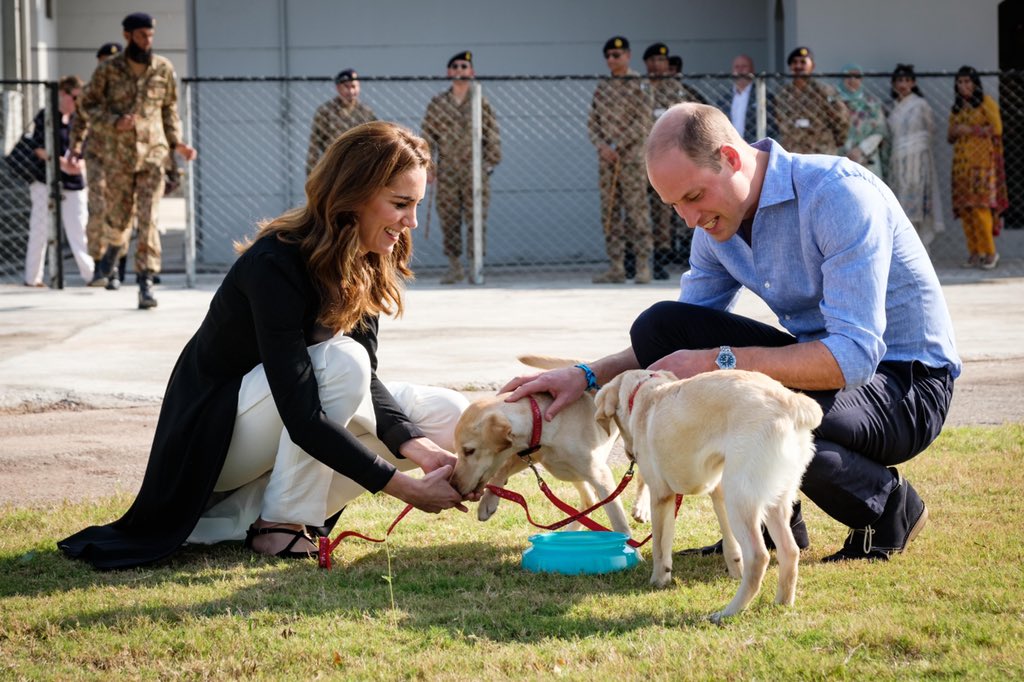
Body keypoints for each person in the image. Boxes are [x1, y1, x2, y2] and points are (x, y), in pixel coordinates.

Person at [503, 103, 960, 563]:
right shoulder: (715, 225)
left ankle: (888, 505)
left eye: (694, 196)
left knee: (767, 415)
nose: (687, 218)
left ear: (731, 158)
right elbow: (673, 345)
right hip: (830, 372)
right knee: (660, 326)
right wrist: (583, 375)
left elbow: (853, 358)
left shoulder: (839, 195)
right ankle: (775, 525)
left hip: (907, 385)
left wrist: (715, 362)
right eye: (675, 204)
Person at [58, 122, 475, 569]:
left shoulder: (368, 258)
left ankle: (236, 519)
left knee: (447, 416)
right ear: (353, 194)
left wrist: (421, 448)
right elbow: (303, 413)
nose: (411, 222)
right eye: (400, 204)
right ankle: (282, 525)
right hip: (212, 444)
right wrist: (406, 488)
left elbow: (364, 385)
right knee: (343, 361)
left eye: (416, 205)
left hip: (282, 424)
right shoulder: (273, 263)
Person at [73, 12, 197, 309]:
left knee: (149, 218)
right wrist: (114, 122)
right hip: (118, 157)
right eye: (141, 35)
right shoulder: (109, 70)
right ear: (127, 35)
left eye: (150, 35)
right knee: (118, 217)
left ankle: (145, 282)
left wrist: (176, 143)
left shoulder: (163, 69)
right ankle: (113, 250)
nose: (147, 40)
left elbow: (169, 109)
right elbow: (86, 106)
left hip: (153, 156)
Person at [421, 51, 502, 284]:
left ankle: (475, 267)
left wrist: (488, 164)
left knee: (476, 220)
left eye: (464, 66)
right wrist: (428, 167)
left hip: (475, 174)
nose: (459, 69)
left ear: (471, 72)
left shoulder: (480, 102)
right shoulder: (438, 104)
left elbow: (493, 135)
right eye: (455, 66)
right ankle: (455, 266)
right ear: (449, 72)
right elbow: (428, 137)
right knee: (449, 219)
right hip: (447, 173)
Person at [588, 36, 654, 284]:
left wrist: (618, 144)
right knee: (611, 212)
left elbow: (643, 121)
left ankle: (642, 266)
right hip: (607, 161)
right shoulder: (603, 86)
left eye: (616, 55)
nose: (611, 60)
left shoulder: (639, 84)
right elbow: (592, 122)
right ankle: (616, 266)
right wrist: (602, 145)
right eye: (608, 56)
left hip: (631, 159)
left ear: (627, 56)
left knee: (636, 211)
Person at [22, 76, 94, 287]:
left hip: (74, 182)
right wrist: (62, 163)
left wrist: (79, 165)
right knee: (40, 229)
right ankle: (32, 277)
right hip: (46, 180)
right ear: (63, 94)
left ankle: (90, 275)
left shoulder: (79, 120)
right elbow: (38, 148)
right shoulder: (46, 116)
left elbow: (88, 148)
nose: (77, 103)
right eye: (75, 97)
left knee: (79, 229)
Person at [644, 43, 703, 279]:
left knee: (665, 211)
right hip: (639, 159)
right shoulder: (639, 87)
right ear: (647, 63)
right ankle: (637, 257)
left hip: (668, 162)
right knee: (639, 209)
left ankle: (661, 257)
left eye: (662, 61)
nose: (659, 65)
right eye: (654, 61)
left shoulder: (676, 90)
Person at [70, 42, 122, 281]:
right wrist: (75, 146)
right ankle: (101, 264)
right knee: (98, 207)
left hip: (124, 158)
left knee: (121, 211)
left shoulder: (125, 91)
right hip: (98, 156)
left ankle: (118, 265)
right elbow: (80, 121)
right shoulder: (92, 91)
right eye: (103, 61)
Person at [947, 65, 1009, 270]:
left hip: (982, 166)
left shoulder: (985, 103)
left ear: (975, 84)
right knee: (967, 211)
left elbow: (997, 128)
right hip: (961, 167)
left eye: (967, 81)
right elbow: (950, 135)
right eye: (960, 82)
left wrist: (971, 129)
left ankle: (990, 253)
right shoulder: (958, 107)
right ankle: (975, 252)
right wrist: (957, 131)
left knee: (981, 209)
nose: (963, 86)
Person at [887, 64, 945, 251]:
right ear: (894, 84)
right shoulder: (891, 107)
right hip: (897, 162)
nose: (903, 84)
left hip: (918, 162)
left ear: (913, 83)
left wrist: (915, 148)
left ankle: (920, 248)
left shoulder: (920, 105)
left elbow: (930, 132)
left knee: (918, 202)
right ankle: (904, 249)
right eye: (899, 81)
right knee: (899, 203)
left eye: (907, 80)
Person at [775, 46, 849, 155]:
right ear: (790, 67)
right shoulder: (783, 94)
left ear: (812, 66)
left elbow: (841, 120)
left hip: (820, 153)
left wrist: (834, 142)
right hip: (792, 153)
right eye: (795, 62)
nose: (798, 66)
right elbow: (779, 121)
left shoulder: (824, 92)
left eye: (803, 62)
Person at [306, 68, 377, 176]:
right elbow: (314, 144)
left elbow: (375, 140)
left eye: (354, 86)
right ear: (338, 88)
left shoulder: (366, 112)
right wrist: (312, 173)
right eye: (346, 87)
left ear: (359, 87)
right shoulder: (326, 111)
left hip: (360, 167)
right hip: (333, 166)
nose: (351, 91)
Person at [836, 63, 889, 180]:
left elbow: (880, 130)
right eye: (848, 76)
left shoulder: (871, 105)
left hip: (867, 159)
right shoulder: (834, 104)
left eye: (857, 77)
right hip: (839, 158)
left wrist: (860, 150)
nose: (852, 80)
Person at [716, 54, 774, 144]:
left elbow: (771, 126)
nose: (740, 70)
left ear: (752, 70)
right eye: (737, 67)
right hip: (730, 145)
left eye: (744, 66)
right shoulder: (724, 99)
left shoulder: (763, 96)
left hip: (754, 145)